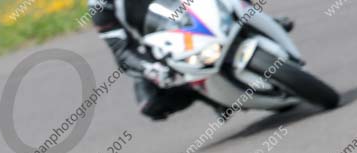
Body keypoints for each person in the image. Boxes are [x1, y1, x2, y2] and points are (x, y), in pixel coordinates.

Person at [89, 0, 294, 120]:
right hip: (161, 48)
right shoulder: (100, 6)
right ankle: (208, 95)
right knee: (150, 105)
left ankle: (262, 20)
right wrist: (150, 68)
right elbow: (121, 50)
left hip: (198, 12)